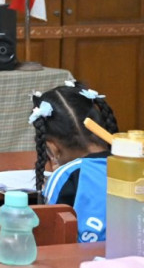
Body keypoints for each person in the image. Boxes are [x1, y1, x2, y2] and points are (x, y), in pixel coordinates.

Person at [32, 80, 119, 242]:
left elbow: (50, 236)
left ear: (53, 148)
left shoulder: (66, 176)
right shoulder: (134, 163)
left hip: (83, 265)